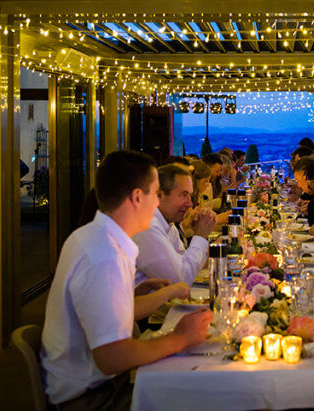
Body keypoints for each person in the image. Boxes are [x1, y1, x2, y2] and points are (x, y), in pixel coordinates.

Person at [41, 150, 212, 410]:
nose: (157, 204)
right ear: (136, 197)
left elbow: (105, 313)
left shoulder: (93, 236)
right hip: (93, 396)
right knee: (203, 396)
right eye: (156, 194)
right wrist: (180, 338)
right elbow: (112, 357)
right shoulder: (103, 256)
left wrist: (136, 294)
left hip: (94, 382)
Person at [133, 163, 216, 286]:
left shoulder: (168, 223)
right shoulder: (147, 226)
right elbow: (181, 278)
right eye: (183, 195)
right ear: (159, 195)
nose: (190, 204)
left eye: (190, 195)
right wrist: (200, 235)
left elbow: (184, 261)